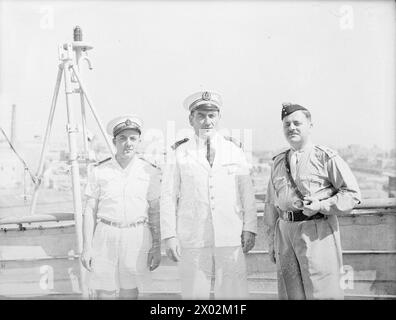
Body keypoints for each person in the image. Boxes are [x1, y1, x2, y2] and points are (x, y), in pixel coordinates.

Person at [160, 91, 257, 299]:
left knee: (233, 294)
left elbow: (247, 193)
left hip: (230, 234)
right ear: (191, 119)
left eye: (212, 115)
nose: (207, 121)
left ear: (219, 118)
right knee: (195, 293)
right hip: (193, 236)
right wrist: (169, 235)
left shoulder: (234, 151)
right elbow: (168, 196)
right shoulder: (179, 153)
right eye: (201, 115)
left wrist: (250, 228)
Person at [263, 103, 361, 300]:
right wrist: (271, 242)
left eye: (297, 123)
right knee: (290, 294)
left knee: (322, 293)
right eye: (286, 124)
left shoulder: (325, 157)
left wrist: (322, 206)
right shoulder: (278, 162)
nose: (291, 128)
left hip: (317, 231)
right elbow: (270, 204)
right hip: (284, 234)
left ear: (310, 125)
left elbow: (352, 194)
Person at [81, 115, 161, 299]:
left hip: (137, 235)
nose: (128, 143)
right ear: (114, 141)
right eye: (123, 138)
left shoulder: (150, 171)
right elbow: (89, 210)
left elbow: (155, 211)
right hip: (105, 235)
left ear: (139, 141)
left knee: (130, 291)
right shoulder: (99, 170)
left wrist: (156, 246)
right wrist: (87, 247)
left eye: (133, 138)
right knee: (104, 292)